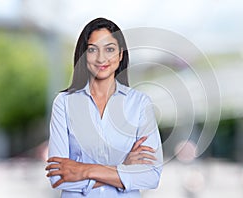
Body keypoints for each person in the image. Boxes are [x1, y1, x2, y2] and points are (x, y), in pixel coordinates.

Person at [45, 18, 163, 197]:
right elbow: (58, 176)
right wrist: (123, 168)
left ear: (121, 55)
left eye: (109, 49)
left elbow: (151, 176)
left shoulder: (139, 104)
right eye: (93, 49)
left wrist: (84, 170)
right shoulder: (64, 103)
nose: (101, 58)